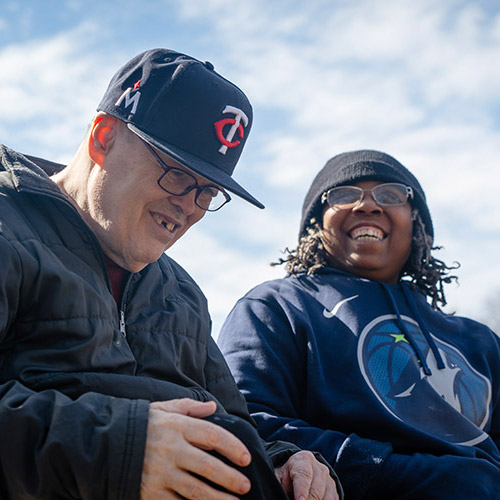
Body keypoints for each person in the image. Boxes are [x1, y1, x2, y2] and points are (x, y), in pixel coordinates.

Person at [0, 48, 341, 500]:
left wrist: (286, 460)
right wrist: (114, 452)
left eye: (207, 192)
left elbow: (237, 424)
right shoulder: (9, 228)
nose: (189, 208)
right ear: (104, 138)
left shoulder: (180, 293)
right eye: (177, 175)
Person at [218, 149, 500, 499]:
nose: (368, 206)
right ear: (316, 222)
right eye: (344, 195)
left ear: (417, 224)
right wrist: (385, 469)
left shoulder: (480, 342)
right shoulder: (278, 305)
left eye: (391, 195)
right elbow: (244, 421)